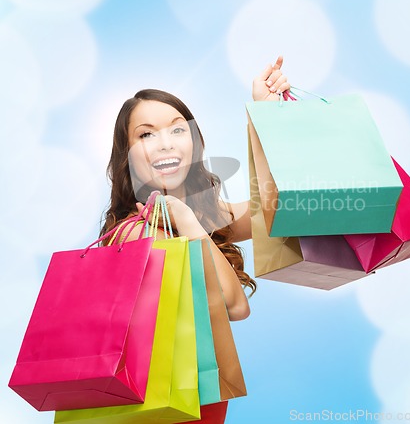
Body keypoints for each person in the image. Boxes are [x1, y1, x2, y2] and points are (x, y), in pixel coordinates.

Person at [100, 56, 291, 321]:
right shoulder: (138, 234)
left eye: (178, 130)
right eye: (146, 134)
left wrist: (266, 112)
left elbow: (278, 207)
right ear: (126, 155)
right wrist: (188, 222)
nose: (166, 143)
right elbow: (234, 306)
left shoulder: (196, 213)